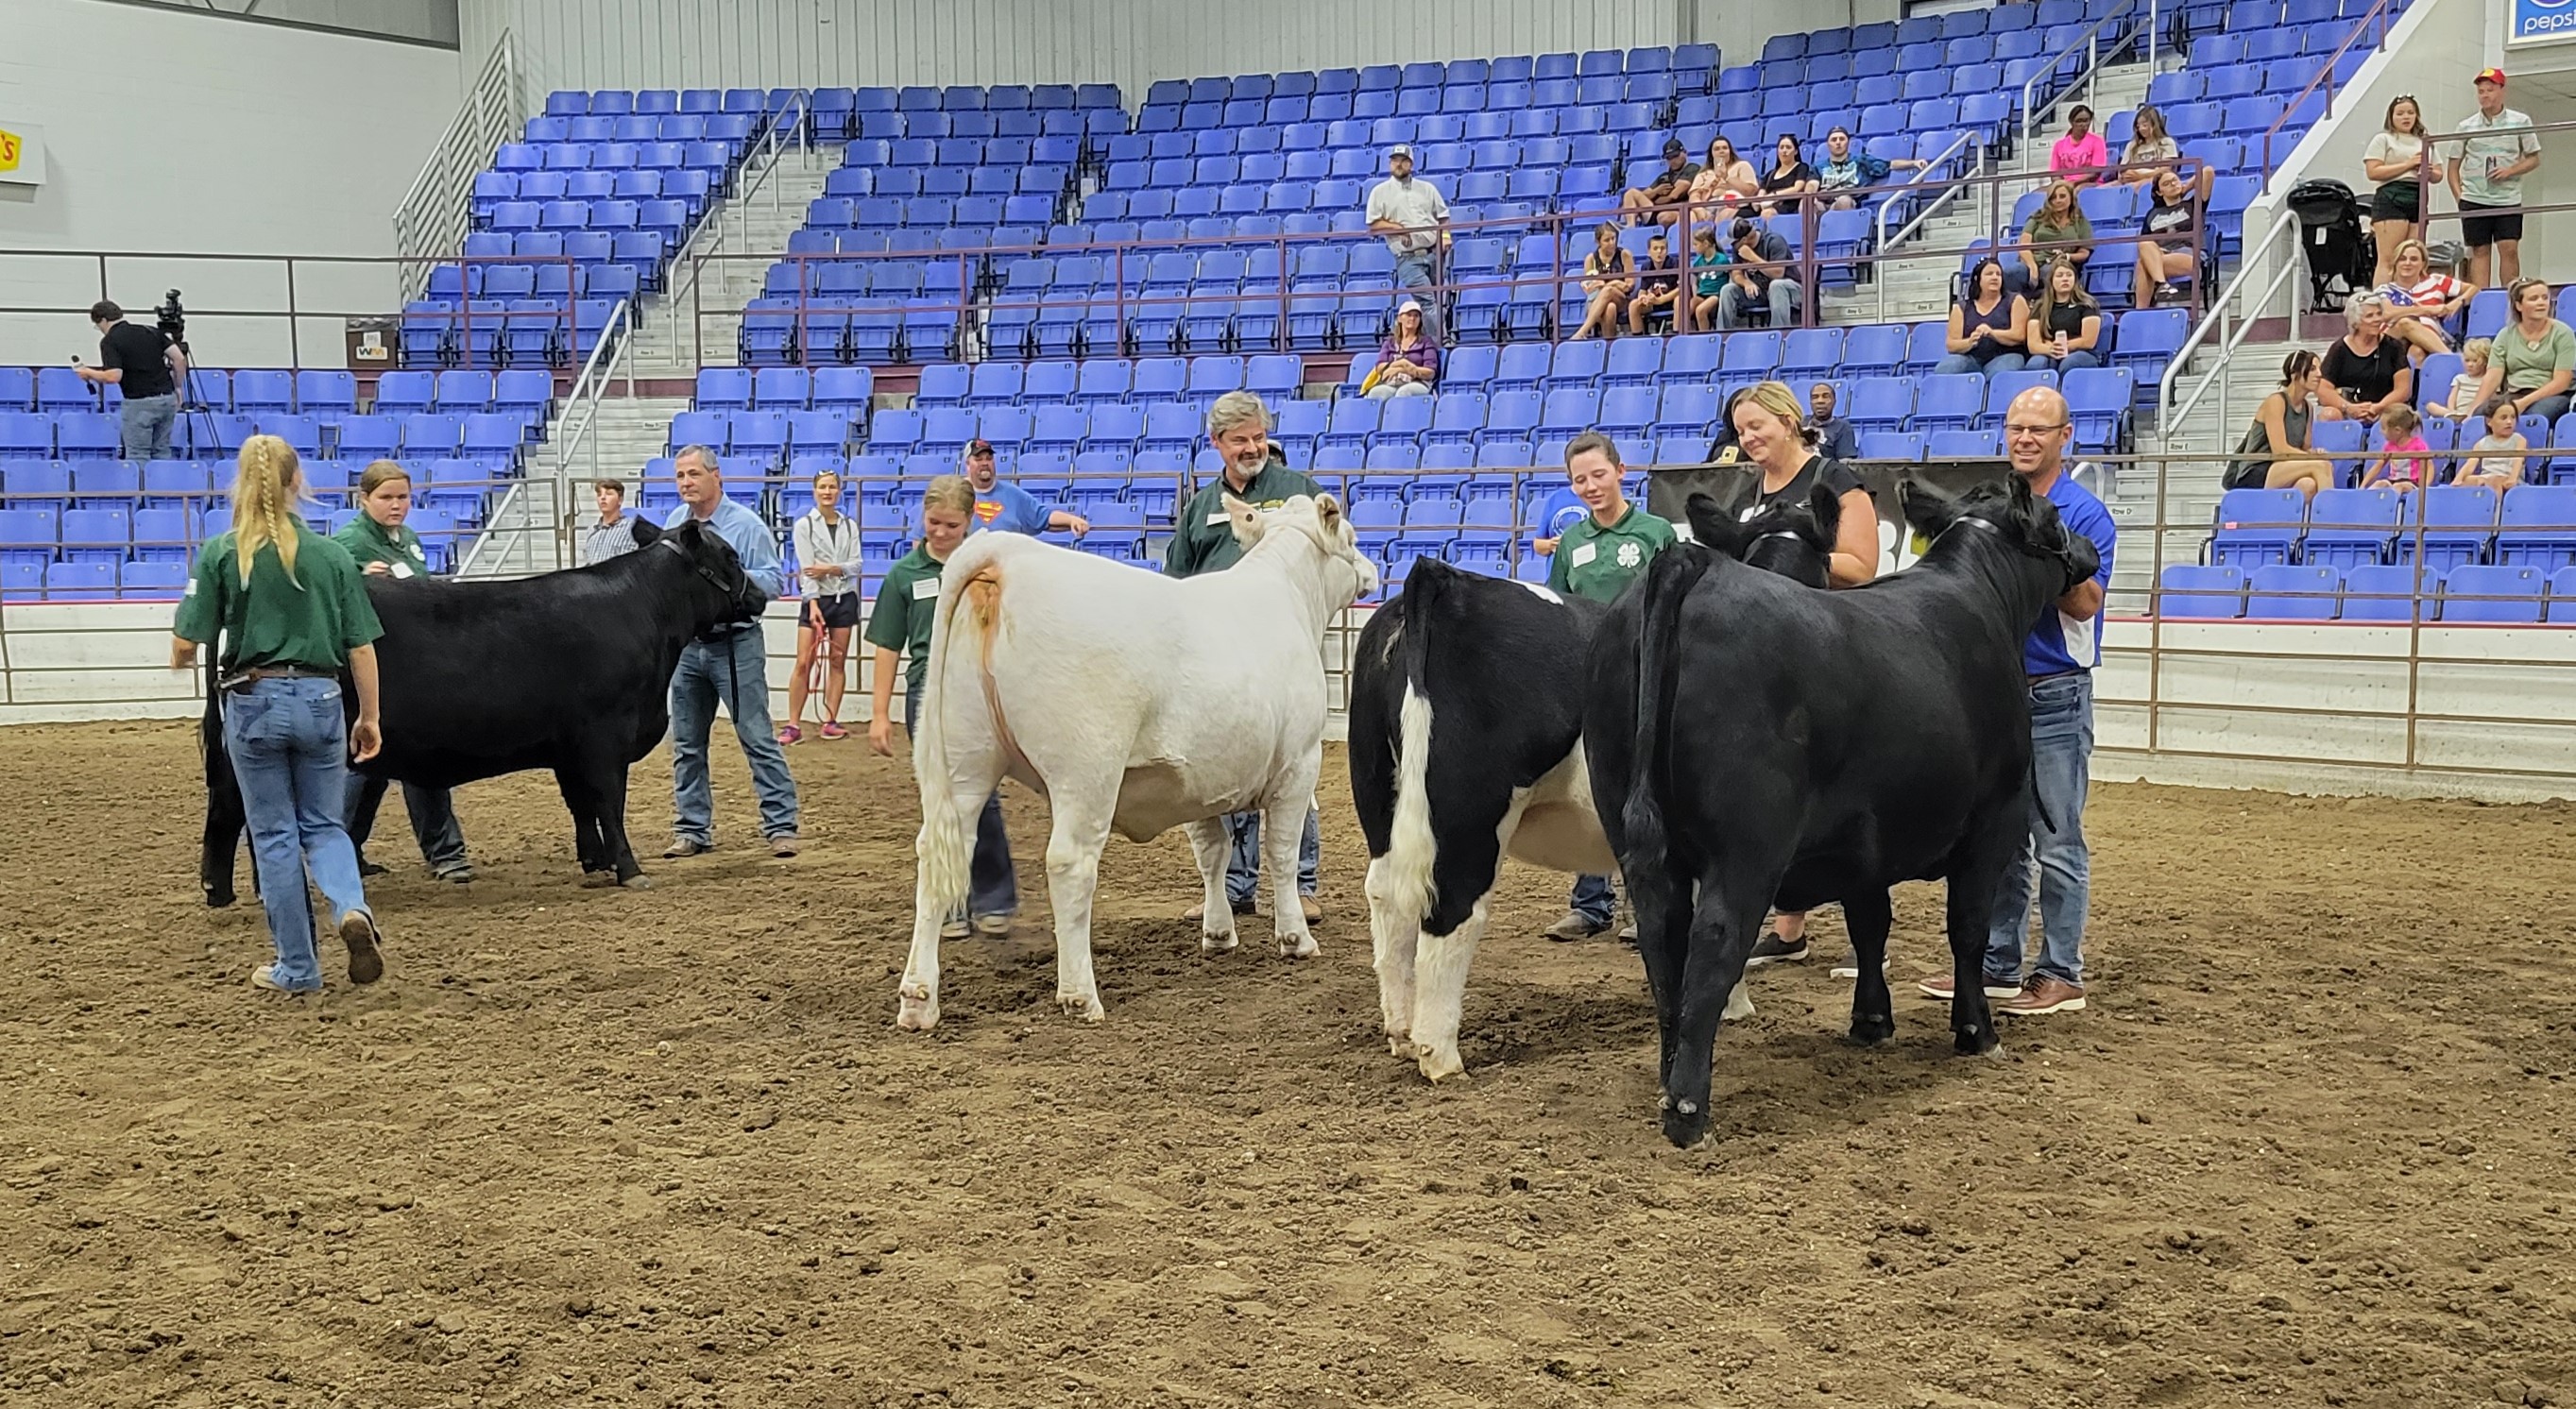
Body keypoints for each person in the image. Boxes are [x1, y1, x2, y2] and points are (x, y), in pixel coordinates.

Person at [1918, 386, 2114, 1018]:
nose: (2024, 438)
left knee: (2056, 835)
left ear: (2065, 436)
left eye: (2037, 428)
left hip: (2052, 689)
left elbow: (2086, 602)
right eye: (2015, 427)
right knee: (1995, 836)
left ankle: (2060, 971)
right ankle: (1996, 963)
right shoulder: (1991, 508)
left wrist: (2027, 558)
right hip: (1990, 692)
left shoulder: (2082, 514)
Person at [170, 434, 384, 994]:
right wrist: (371, 717)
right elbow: (361, 647)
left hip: (254, 701)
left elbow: (186, 642)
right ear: (297, 484)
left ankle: (298, 967)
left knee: (274, 836)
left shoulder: (221, 553)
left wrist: (185, 652)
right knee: (325, 824)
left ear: (242, 484)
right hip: (321, 700)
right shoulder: (334, 556)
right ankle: (350, 907)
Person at [1728, 381, 1881, 965]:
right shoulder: (1752, 491)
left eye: (1757, 426)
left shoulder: (1834, 479)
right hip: (1768, 651)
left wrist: (1790, 550)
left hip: (1830, 644)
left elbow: (1862, 567)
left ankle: (1861, 928)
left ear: (1789, 421)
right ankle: (1788, 928)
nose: (1748, 439)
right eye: (1741, 431)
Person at [1165, 392, 1325, 921]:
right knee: (1224, 766)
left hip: (1281, 654)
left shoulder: (1296, 492)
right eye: (1240, 440)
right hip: (1218, 655)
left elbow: (1331, 549)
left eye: (1258, 437)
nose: (1253, 447)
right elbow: (1177, 582)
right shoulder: (1199, 506)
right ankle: (1232, 889)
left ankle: (1300, 884)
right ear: (1217, 445)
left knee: (1291, 767)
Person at [1540, 433, 1678, 942]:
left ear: (1622, 472)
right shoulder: (1571, 544)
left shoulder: (1656, 532)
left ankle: (1647, 905)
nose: (1590, 486)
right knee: (1593, 787)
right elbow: (1556, 607)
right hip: (1588, 682)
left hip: (1647, 678)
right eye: (1579, 479)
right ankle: (1590, 904)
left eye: (1599, 474)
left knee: (1650, 788)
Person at [868, 474, 1016, 938]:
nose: (940, 532)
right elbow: (888, 646)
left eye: (951, 525)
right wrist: (878, 713)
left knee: (981, 799)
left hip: (980, 694)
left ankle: (993, 898)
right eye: (934, 522)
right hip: (926, 695)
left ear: (969, 521)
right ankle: (950, 903)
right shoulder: (903, 576)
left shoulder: (991, 572)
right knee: (939, 800)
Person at [333, 460, 472, 885]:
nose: (397, 506)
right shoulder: (347, 545)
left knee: (383, 764)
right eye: (386, 498)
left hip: (412, 670)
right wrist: (359, 579)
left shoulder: (407, 540)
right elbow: (336, 598)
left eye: (403, 497)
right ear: (364, 500)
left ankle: (350, 850)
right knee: (379, 765)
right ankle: (442, 852)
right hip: (374, 670)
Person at [661, 445, 799, 858]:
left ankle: (780, 825)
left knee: (756, 735)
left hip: (736, 643)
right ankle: (692, 829)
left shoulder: (745, 526)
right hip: (690, 647)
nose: (686, 482)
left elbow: (773, 582)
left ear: (715, 477)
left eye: (693, 474)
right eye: (681, 475)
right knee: (686, 743)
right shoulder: (675, 523)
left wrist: (732, 577)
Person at [783, 467, 862, 744]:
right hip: (816, 600)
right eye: (823, 487)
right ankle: (793, 723)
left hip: (844, 599)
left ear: (839, 491)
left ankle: (830, 720)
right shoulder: (805, 525)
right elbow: (807, 570)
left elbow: (856, 565)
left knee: (837, 661)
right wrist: (813, 603)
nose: (827, 492)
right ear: (815, 491)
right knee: (804, 661)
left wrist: (828, 569)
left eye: (832, 487)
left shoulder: (849, 525)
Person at [2448, 69, 2541, 290]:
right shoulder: (2466, 126)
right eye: (2481, 91)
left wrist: (2510, 170)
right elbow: (2453, 166)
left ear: (2502, 91)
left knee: (2509, 248)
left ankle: (2511, 296)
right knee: (2479, 251)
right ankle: (2482, 300)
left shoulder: (2520, 121)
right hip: (2474, 198)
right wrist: (2460, 198)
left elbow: (2534, 158)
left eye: (2490, 90)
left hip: (2507, 199)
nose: (2485, 95)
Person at [75, 300, 185, 463]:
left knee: (138, 455)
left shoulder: (110, 341)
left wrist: (88, 373)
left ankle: (142, 488)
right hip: (166, 398)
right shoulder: (151, 331)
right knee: (162, 451)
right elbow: (179, 358)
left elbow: (113, 376)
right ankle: (164, 486)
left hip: (139, 403)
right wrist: (178, 387)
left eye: (98, 326)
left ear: (104, 320)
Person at [1364, 144, 1450, 337]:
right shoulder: (1379, 192)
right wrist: (1399, 229)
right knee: (1428, 300)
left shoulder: (1427, 188)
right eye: (1395, 161)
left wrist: (1445, 237)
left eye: (1403, 161)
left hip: (1434, 252)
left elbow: (1443, 216)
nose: (1398, 165)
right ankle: (1442, 342)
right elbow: (1374, 224)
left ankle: (1428, 341)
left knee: (1437, 299)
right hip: (1406, 257)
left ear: (1411, 164)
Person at [2471, 276, 2575, 422]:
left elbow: (2562, 381)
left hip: (2551, 395)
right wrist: (2472, 411)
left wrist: (2523, 403)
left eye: (2545, 298)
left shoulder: (2563, 333)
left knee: (2532, 417)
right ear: (2519, 305)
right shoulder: (2505, 335)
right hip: (2514, 394)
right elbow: (2492, 377)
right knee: (2481, 415)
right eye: (2533, 299)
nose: (2541, 303)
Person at [2231, 350, 2334, 497]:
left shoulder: (2308, 408)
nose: (2319, 374)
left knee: (2307, 485)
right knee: (2322, 466)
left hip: (2284, 467)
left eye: (2319, 369)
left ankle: (2295, 519)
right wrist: (2311, 458)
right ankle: (2331, 516)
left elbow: (2304, 448)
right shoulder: (2276, 402)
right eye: (2312, 369)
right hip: (2259, 470)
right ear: (2294, 374)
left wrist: (2314, 452)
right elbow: (2279, 450)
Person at [2316, 295, 2415, 426]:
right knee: (2329, 414)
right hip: (2349, 410)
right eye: (2369, 316)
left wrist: (2378, 407)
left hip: (2385, 409)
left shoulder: (2393, 347)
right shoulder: (2339, 349)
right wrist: (2349, 408)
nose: (2377, 320)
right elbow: (2323, 390)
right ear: (2355, 322)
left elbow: (2403, 390)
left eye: (2379, 314)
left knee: (2397, 416)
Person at [2364, 95, 2430, 287]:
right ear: (2391, 116)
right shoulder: (2383, 139)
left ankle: (2408, 298)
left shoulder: (2424, 141)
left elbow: (2438, 174)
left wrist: (2430, 171)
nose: (2406, 117)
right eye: (2400, 113)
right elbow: (2373, 171)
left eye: (2410, 113)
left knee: (2412, 256)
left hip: (2418, 195)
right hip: (2391, 196)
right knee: (2389, 258)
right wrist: (2408, 164)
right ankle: (2380, 303)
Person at [962, 438, 1089, 536]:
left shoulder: (1013, 494)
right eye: (978, 459)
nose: (985, 463)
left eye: (989, 459)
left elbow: (1044, 517)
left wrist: (1072, 520)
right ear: (967, 464)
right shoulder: (956, 494)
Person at [1933, 257, 2030, 376]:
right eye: (1989, 274)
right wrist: (1970, 342)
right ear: (1978, 279)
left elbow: (2019, 335)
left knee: (2003, 369)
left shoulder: (2015, 300)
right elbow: (1952, 344)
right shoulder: (1962, 308)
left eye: (1998, 274)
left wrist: (1992, 333)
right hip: (1972, 359)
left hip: (2006, 355)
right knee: (1946, 368)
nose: (1995, 277)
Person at [2378, 238, 2471, 359]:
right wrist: (2430, 310)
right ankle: (2451, 358)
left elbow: (2473, 289)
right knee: (2405, 323)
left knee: (2417, 352)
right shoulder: (2385, 289)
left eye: (2414, 259)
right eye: (2402, 259)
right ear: (2395, 263)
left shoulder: (2435, 281)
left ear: (2423, 264)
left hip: (2428, 337)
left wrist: (2459, 301)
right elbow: (2388, 313)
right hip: (2392, 338)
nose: (2407, 263)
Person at [2133, 167, 2202, 309]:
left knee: (2143, 264)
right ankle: (2161, 284)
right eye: (2166, 184)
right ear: (2159, 192)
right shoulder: (2152, 214)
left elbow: (2207, 172)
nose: (2172, 184)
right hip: (2161, 254)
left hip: (2187, 253)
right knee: (2144, 244)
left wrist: (2185, 188)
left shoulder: (2192, 205)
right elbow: (2145, 244)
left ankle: (2141, 310)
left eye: (2174, 181)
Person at [2013, 180, 2093, 298]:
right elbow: (2024, 245)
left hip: (2059, 263)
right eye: (2053, 197)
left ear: (2071, 198)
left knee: (2052, 272)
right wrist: (2032, 266)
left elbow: (2084, 252)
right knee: (2011, 272)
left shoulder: (2080, 222)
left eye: (2062, 196)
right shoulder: (2037, 217)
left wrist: (2067, 256)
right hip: (2032, 261)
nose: (2058, 200)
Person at [1815, 126, 1924, 211]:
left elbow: (1890, 164)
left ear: (1848, 142)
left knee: (1844, 200)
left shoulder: (1861, 161)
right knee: (1809, 205)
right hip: (1824, 203)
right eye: (1834, 140)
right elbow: (1810, 186)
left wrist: (1914, 163)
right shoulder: (1818, 166)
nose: (1838, 143)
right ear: (1828, 144)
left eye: (1842, 139)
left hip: (1848, 202)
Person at [2024, 257, 2105, 374]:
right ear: (2051, 280)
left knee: (2069, 363)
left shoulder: (2087, 304)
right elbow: (2033, 345)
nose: (2065, 279)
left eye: (2069, 275)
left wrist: (2062, 347)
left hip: (2082, 353)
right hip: (2050, 352)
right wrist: (2050, 349)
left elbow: (2089, 341)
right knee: (2036, 364)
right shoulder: (2040, 307)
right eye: (2060, 275)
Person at [1718, 217, 1800, 331]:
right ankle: (1723, 337)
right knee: (1727, 289)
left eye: (1733, 242)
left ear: (1744, 239)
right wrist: (1746, 282)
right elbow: (1736, 273)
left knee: (1776, 285)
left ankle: (1779, 334)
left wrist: (1753, 258)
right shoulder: (1739, 248)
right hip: (1761, 291)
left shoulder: (1774, 241)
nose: (1732, 246)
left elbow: (1778, 273)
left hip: (1790, 289)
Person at [1363, 298, 1441, 399]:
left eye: (1416, 316)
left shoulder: (1426, 342)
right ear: (1400, 318)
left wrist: (1406, 367)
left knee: (1404, 392)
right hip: (1392, 383)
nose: (1412, 318)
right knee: (1376, 392)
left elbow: (1430, 372)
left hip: (1418, 382)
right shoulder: (1389, 342)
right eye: (1409, 315)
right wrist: (1400, 366)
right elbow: (1380, 367)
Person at [1571, 222, 1633, 341]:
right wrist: (1616, 283)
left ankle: (1582, 331)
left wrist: (1606, 284)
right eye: (1607, 240)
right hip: (1596, 300)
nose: (1611, 243)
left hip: (1621, 299)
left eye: (1613, 239)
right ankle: (1608, 345)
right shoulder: (1591, 259)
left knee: (1608, 290)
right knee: (1610, 308)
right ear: (1598, 242)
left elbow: (1629, 286)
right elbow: (1589, 287)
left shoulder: (1624, 255)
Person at [1619, 137, 1700, 227]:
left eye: (1675, 156)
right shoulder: (1664, 176)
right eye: (1669, 158)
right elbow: (1644, 194)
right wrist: (1656, 191)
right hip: (1655, 211)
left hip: (1677, 210)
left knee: (1665, 217)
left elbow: (1674, 195)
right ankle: (1630, 227)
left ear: (1684, 153)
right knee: (1630, 193)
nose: (1673, 161)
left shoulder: (1692, 168)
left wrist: (1656, 199)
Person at [2455, 399, 2528, 490]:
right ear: (2489, 421)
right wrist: (2457, 480)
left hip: (2507, 479)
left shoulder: (2519, 440)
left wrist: (2512, 479)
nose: (2509, 422)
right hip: (2486, 479)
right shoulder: (2481, 444)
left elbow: (2518, 460)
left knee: (2495, 481)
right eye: (2503, 418)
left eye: (2513, 417)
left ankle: (2496, 504)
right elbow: (2470, 464)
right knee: (2468, 480)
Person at [1687, 135, 1760, 223]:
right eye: (1717, 149)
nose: (1721, 151)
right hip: (1708, 207)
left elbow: (1751, 191)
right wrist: (1699, 210)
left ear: (1730, 151)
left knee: (1725, 213)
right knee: (1688, 217)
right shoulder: (1703, 174)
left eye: (1725, 148)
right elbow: (1694, 196)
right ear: (1711, 154)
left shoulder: (1742, 166)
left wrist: (1726, 177)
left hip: (1735, 206)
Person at [2363, 404, 2431, 494]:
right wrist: (2362, 486)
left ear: (2397, 430)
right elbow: (2378, 466)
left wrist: (2425, 487)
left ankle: (2392, 507)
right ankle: (2364, 501)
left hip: (2412, 483)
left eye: (2384, 428)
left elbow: (2429, 466)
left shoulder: (2418, 445)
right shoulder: (2389, 446)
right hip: (2393, 480)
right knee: (2380, 483)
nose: (2380, 432)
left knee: (2398, 487)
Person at [582, 479, 648, 565]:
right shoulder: (592, 530)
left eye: (609, 494)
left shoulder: (631, 528)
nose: (603, 498)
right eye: (599, 494)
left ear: (620, 500)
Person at [1629, 230, 1681, 335]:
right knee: (1634, 305)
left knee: (1679, 300)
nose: (1659, 252)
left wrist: (1662, 299)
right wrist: (1643, 298)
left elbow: (1681, 288)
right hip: (1654, 302)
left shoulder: (1675, 263)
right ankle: (1638, 339)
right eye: (1655, 249)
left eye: (1662, 249)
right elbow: (1643, 290)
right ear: (1649, 252)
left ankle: (1677, 334)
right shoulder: (1646, 267)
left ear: (1667, 251)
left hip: (1670, 301)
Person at [1755, 134, 1817, 216]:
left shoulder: (1801, 167)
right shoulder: (1770, 174)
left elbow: (1797, 188)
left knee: (1767, 213)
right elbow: (1761, 193)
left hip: (1790, 205)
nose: (1784, 151)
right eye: (1781, 148)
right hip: (1769, 206)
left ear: (1796, 151)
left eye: (1788, 147)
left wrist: (1775, 195)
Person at [2429, 337, 2490, 418]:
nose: (2470, 365)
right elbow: (2452, 397)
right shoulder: (2459, 378)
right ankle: (2452, 416)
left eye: (2475, 361)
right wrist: (2452, 410)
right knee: (2430, 406)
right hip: (2458, 412)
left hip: (2476, 413)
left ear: (2485, 362)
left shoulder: (2488, 380)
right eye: (2467, 360)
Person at [2050, 105, 2107, 185]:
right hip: (2064, 185)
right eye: (2079, 121)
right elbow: (2054, 173)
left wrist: (2074, 183)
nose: (2083, 124)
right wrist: (2062, 185)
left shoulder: (2097, 141)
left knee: (2077, 191)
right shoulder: (2059, 145)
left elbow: (2095, 172)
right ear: (2071, 122)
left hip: (2090, 184)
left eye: (2086, 120)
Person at [1687, 227, 1729, 330]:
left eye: (1696, 244)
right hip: (1702, 294)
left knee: (1700, 310)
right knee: (1686, 309)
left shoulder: (1722, 260)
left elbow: (1729, 277)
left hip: (1715, 294)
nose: (1693, 247)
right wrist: (1695, 295)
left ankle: (1704, 337)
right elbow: (1694, 282)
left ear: (1705, 244)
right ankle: (1688, 336)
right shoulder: (1698, 261)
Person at [1808, 382, 1861, 462]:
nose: (1820, 401)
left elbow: (1845, 464)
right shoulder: (1800, 424)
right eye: (1815, 397)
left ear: (1834, 401)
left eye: (1826, 396)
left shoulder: (1843, 427)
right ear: (1810, 402)